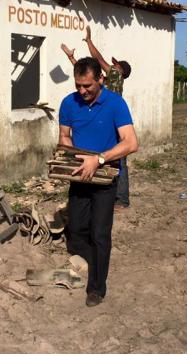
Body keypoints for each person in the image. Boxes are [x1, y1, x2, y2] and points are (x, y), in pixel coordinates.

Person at [58, 57, 138, 307]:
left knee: (100, 233)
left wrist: (99, 159)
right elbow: (64, 136)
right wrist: (72, 155)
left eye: (88, 86)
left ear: (100, 80)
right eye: (78, 85)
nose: (82, 92)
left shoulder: (116, 104)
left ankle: (97, 288)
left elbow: (131, 143)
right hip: (80, 176)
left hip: (105, 176)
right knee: (79, 228)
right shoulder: (69, 103)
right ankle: (92, 257)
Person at [61, 27, 133, 209]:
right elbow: (87, 76)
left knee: (118, 162)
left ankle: (121, 199)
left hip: (111, 118)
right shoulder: (100, 82)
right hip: (101, 116)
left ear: (120, 70)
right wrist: (71, 59)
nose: (111, 65)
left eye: (115, 64)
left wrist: (89, 41)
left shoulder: (116, 75)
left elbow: (98, 61)